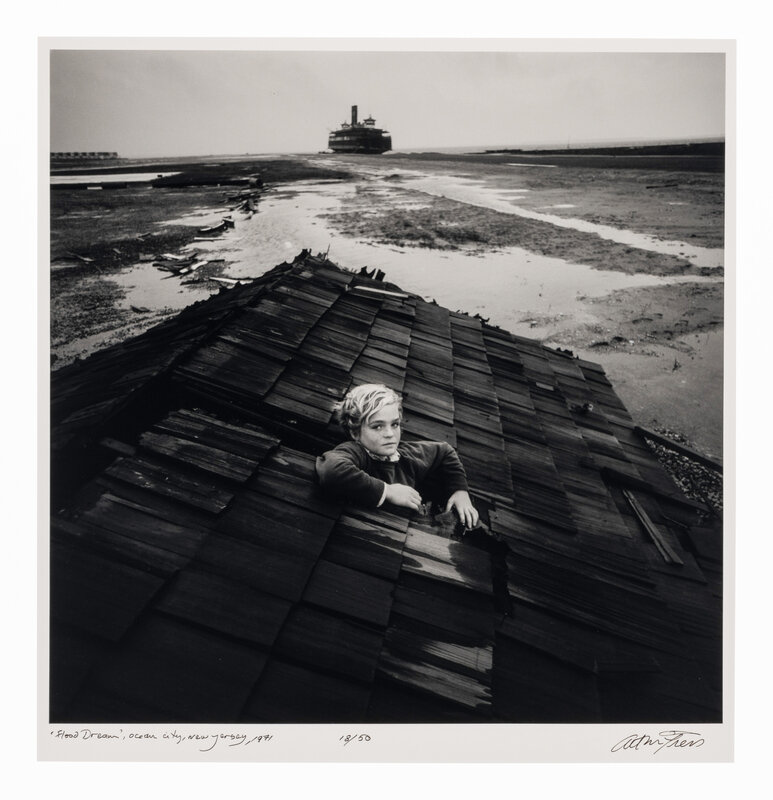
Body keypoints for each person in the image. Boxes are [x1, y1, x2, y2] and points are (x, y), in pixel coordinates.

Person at [316, 383, 480, 529]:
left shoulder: (406, 456)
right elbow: (332, 470)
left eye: (394, 424)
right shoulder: (357, 452)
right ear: (355, 432)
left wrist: (460, 491)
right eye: (377, 426)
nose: (390, 434)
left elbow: (445, 451)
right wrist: (388, 491)